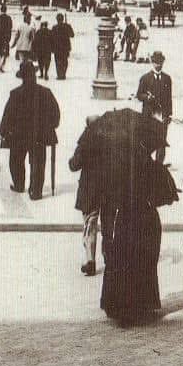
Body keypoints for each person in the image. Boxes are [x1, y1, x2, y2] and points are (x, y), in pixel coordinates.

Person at [100, 125, 177, 326]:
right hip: (147, 220)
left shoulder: (121, 168)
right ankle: (142, 306)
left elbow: (110, 196)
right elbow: (169, 196)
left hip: (126, 220)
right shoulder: (155, 168)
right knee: (144, 262)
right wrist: (152, 200)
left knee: (124, 260)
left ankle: (121, 309)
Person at [0, 60, 60, 199]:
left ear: (22, 77)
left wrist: (3, 131)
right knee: (38, 162)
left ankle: (19, 184)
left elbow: (8, 114)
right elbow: (55, 113)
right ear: (34, 75)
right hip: (39, 134)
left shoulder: (16, 94)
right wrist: (52, 126)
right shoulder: (45, 92)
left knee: (16, 160)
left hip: (19, 135)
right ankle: (35, 191)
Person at [69, 115, 105, 276]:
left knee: (90, 224)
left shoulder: (85, 141)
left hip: (90, 188)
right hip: (108, 188)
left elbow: (74, 165)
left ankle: (90, 260)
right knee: (109, 225)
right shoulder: (109, 140)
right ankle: (109, 257)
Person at [135, 51, 173, 162]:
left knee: (162, 141)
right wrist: (147, 97)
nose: (158, 65)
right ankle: (147, 164)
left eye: (160, 62)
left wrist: (169, 114)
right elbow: (139, 95)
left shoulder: (167, 78)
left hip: (162, 116)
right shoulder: (145, 78)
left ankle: (159, 166)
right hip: (149, 115)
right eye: (156, 62)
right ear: (152, 62)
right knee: (148, 140)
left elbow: (169, 97)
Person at [51, 13, 75, 78]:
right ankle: (63, 73)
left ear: (57, 19)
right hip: (65, 47)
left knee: (58, 61)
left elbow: (51, 37)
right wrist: (68, 27)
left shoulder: (54, 27)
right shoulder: (67, 26)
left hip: (57, 47)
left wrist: (52, 48)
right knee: (65, 61)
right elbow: (72, 35)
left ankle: (59, 74)